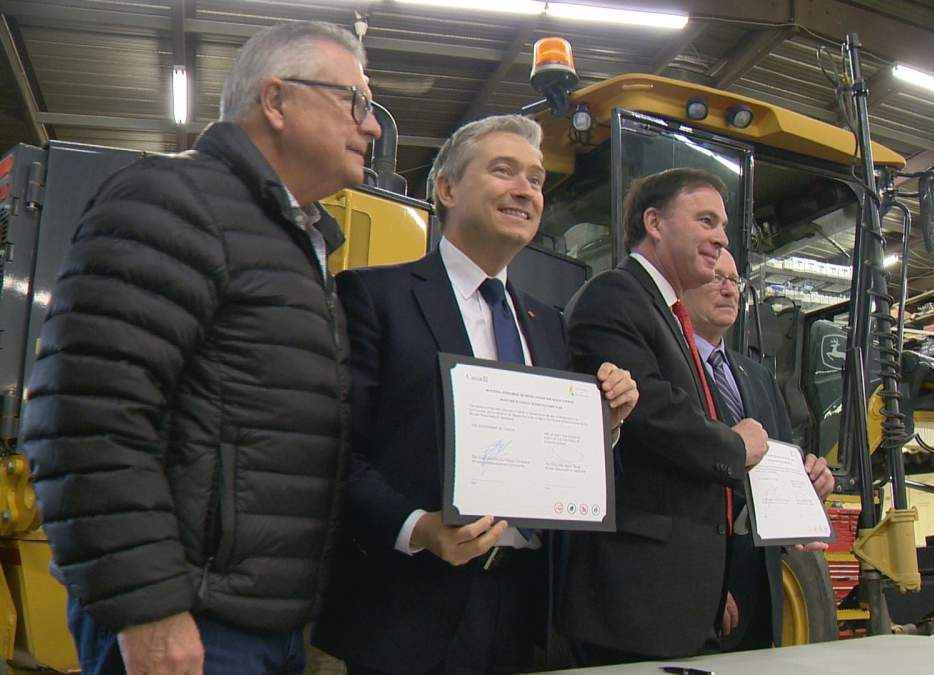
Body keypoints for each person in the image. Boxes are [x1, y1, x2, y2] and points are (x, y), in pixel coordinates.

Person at [19, 21, 382, 675]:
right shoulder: (173, 199)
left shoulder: (296, 240)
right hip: (188, 616)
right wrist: (148, 607)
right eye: (354, 101)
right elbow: (86, 414)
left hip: (260, 620)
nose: (374, 126)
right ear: (277, 100)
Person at [311, 114, 638, 675]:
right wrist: (418, 527)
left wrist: (601, 426)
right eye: (504, 171)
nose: (525, 190)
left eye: (536, 179)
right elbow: (335, 448)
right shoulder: (374, 297)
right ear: (447, 188)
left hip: (520, 609)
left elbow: (550, 465)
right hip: (407, 608)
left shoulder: (548, 325)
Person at [559, 168, 769, 664]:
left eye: (722, 225)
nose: (721, 238)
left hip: (674, 597)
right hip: (632, 602)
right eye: (706, 220)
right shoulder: (614, 296)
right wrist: (736, 446)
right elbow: (652, 414)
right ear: (654, 222)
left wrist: (709, 586)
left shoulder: (665, 312)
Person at [681, 248, 835, 651]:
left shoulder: (758, 376)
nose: (729, 290)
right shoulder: (670, 369)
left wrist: (809, 484)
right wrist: (706, 585)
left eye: (735, 281)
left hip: (762, 585)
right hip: (702, 588)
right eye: (716, 278)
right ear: (681, 284)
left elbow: (781, 460)